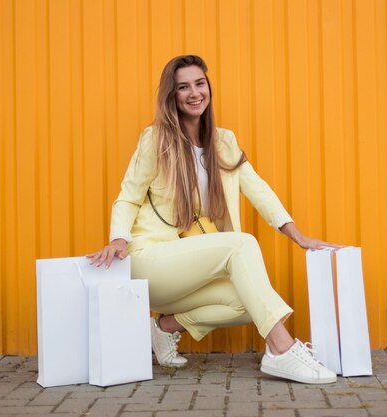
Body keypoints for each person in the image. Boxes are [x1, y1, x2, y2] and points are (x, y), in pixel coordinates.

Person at [88, 55, 341, 384]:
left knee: (249, 301)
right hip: (149, 259)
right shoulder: (155, 139)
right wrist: (119, 239)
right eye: (183, 87)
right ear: (172, 96)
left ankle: (165, 327)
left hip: (188, 267)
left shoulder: (224, 141)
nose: (194, 93)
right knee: (242, 245)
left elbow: (257, 189)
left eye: (199, 83)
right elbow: (128, 194)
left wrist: (298, 236)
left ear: (208, 88)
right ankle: (282, 350)